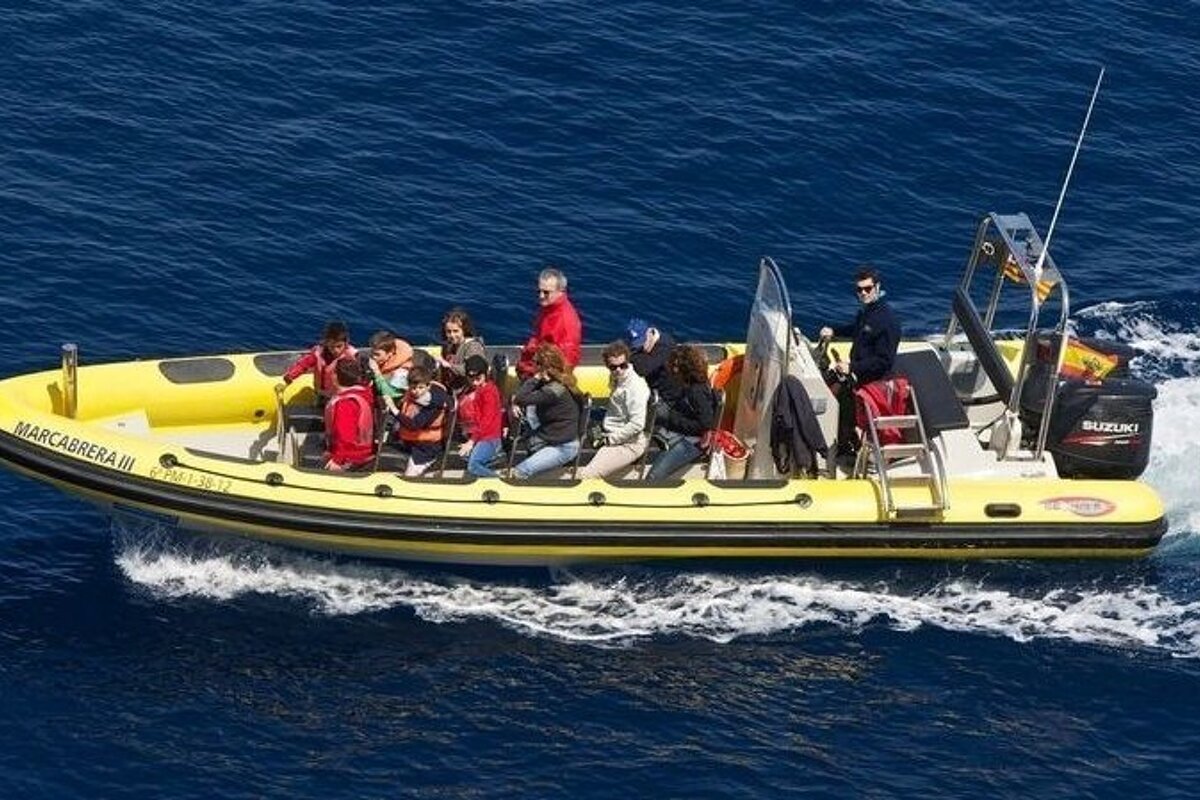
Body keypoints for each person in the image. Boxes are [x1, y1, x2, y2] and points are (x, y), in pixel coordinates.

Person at [817, 265, 902, 457]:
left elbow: (884, 361)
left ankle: (850, 448)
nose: (863, 293)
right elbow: (858, 329)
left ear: (877, 288)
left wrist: (852, 367)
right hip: (857, 375)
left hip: (872, 382)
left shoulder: (887, 321)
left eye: (868, 289)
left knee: (843, 406)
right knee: (833, 393)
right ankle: (841, 442)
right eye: (859, 290)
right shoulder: (868, 312)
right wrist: (835, 331)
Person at [577, 341, 650, 480]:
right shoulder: (616, 378)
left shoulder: (635, 387)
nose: (618, 370)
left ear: (627, 362)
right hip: (610, 429)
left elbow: (637, 424)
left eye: (623, 366)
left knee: (586, 476)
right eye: (613, 367)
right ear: (607, 365)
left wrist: (609, 440)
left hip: (628, 444)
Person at [646, 344, 717, 481]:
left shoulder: (696, 391)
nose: (672, 369)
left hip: (691, 441)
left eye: (674, 366)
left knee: (653, 477)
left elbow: (706, 424)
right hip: (681, 431)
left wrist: (671, 418)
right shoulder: (689, 384)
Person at [511, 343, 582, 479]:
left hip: (563, 446)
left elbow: (521, 397)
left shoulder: (553, 391)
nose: (535, 367)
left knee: (520, 471)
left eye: (537, 364)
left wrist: (536, 378)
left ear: (545, 367)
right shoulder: (558, 382)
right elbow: (521, 398)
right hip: (551, 438)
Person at [516, 267, 582, 379]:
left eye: (546, 292)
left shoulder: (565, 322)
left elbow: (568, 361)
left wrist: (541, 378)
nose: (541, 296)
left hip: (545, 378)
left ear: (561, 292)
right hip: (534, 367)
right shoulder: (549, 307)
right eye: (539, 291)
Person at [392, 364, 451, 477]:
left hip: (426, 447)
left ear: (428, 386)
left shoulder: (432, 404)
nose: (416, 391)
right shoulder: (412, 395)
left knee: (410, 475)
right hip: (411, 442)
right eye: (413, 388)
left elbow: (414, 425)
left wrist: (394, 411)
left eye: (420, 388)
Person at [282, 320, 358, 401]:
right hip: (320, 392)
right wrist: (290, 375)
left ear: (346, 343)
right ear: (326, 343)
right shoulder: (318, 353)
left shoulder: (352, 356)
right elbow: (303, 364)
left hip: (339, 396)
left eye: (339, 346)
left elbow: (361, 373)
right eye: (332, 346)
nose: (335, 350)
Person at [455, 355, 504, 478]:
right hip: (480, 436)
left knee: (473, 466)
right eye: (471, 379)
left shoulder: (489, 392)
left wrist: (471, 442)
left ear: (486, 374)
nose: (475, 382)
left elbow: (485, 422)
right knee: (463, 455)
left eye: (478, 378)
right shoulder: (477, 390)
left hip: (489, 438)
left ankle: (498, 482)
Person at [322, 359, 375, 472]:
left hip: (352, 456)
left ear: (335, 377)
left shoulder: (345, 404)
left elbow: (345, 436)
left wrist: (337, 460)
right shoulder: (364, 393)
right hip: (362, 449)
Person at [437, 308, 488, 393]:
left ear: (464, 330)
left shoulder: (473, 347)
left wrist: (449, 366)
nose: (452, 335)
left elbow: (473, 370)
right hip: (450, 386)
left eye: (456, 331)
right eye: (448, 332)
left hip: (466, 390)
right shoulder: (448, 345)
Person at [365, 330, 415, 414]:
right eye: (372, 353)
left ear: (390, 353)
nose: (373, 357)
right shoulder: (381, 360)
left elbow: (391, 393)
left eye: (377, 354)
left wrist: (376, 372)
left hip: (395, 405)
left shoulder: (402, 372)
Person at [625, 318, 676, 397]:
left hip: (666, 393)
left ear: (651, 333)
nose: (643, 346)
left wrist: (634, 355)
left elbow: (642, 369)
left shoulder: (665, 346)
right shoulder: (641, 349)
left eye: (643, 342)